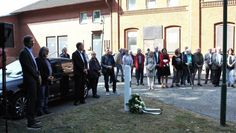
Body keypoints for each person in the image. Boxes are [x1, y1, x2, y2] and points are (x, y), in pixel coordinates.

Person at [19, 35, 42, 129]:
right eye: (32, 41)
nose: (34, 42)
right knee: (31, 101)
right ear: (27, 42)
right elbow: (29, 67)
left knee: (34, 100)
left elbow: (34, 66)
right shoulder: (23, 53)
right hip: (30, 80)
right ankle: (30, 123)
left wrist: (38, 75)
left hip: (34, 80)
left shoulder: (30, 52)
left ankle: (32, 119)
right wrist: (37, 76)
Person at [36, 47, 53, 116]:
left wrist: (51, 75)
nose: (47, 53)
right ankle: (40, 110)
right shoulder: (38, 60)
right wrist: (47, 76)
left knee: (46, 96)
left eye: (48, 51)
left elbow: (50, 69)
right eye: (46, 51)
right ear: (42, 52)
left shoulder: (47, 60)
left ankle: (46, 109)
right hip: (42, 81)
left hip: (48, 81)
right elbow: (40, 71)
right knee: (41, 96)